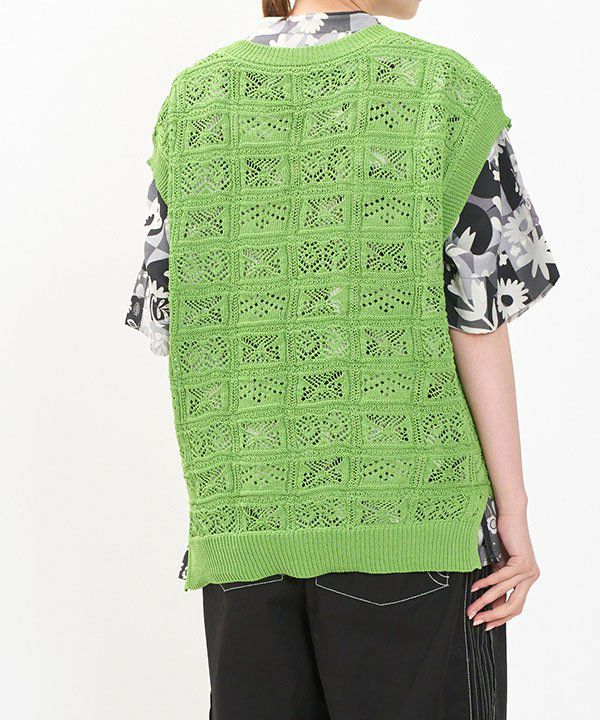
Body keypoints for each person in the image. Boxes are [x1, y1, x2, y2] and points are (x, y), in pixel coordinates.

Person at [126, 1, 559, 717]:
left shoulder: (192, 104)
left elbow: (170, 317)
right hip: (412, 525)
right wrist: (513, 513)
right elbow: (480, 317)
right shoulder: (445, 93)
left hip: (245, 535)